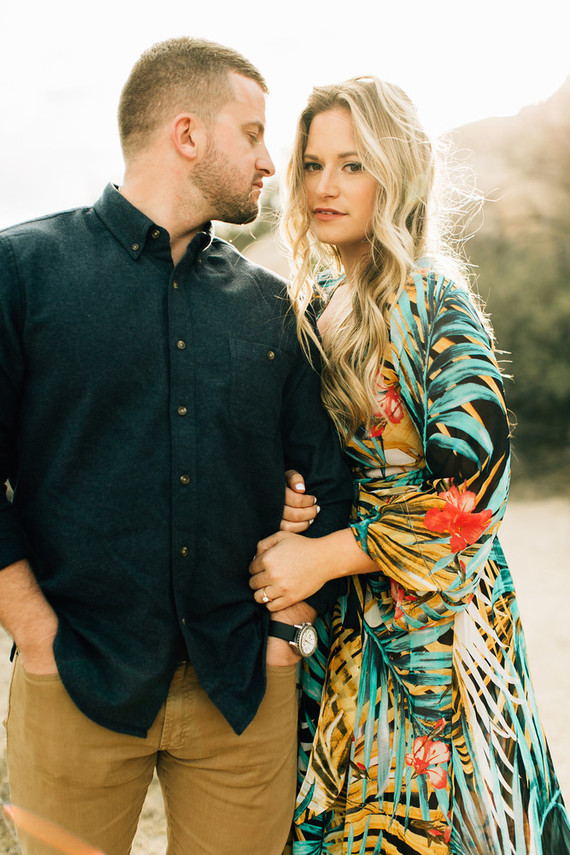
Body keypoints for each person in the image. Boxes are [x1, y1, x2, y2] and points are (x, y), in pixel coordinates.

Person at [0, 38, 354, 855]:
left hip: (242, 691)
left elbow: (329, 478)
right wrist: (36, 634)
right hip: (74, 679)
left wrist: (284, 637)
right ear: (188, 134)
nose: (270, 162)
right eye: (253, 134)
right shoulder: (22, 272)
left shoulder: (274, 307)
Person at [249, 76, 570, 854]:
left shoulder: (438, 304)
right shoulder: (316, 303)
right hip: (343, 623)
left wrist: (325, 554)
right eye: (313, 164)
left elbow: (473, 500)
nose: (324, 186)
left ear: (396, 174)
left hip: (437, 627)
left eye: (352, 165)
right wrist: (293, 495)